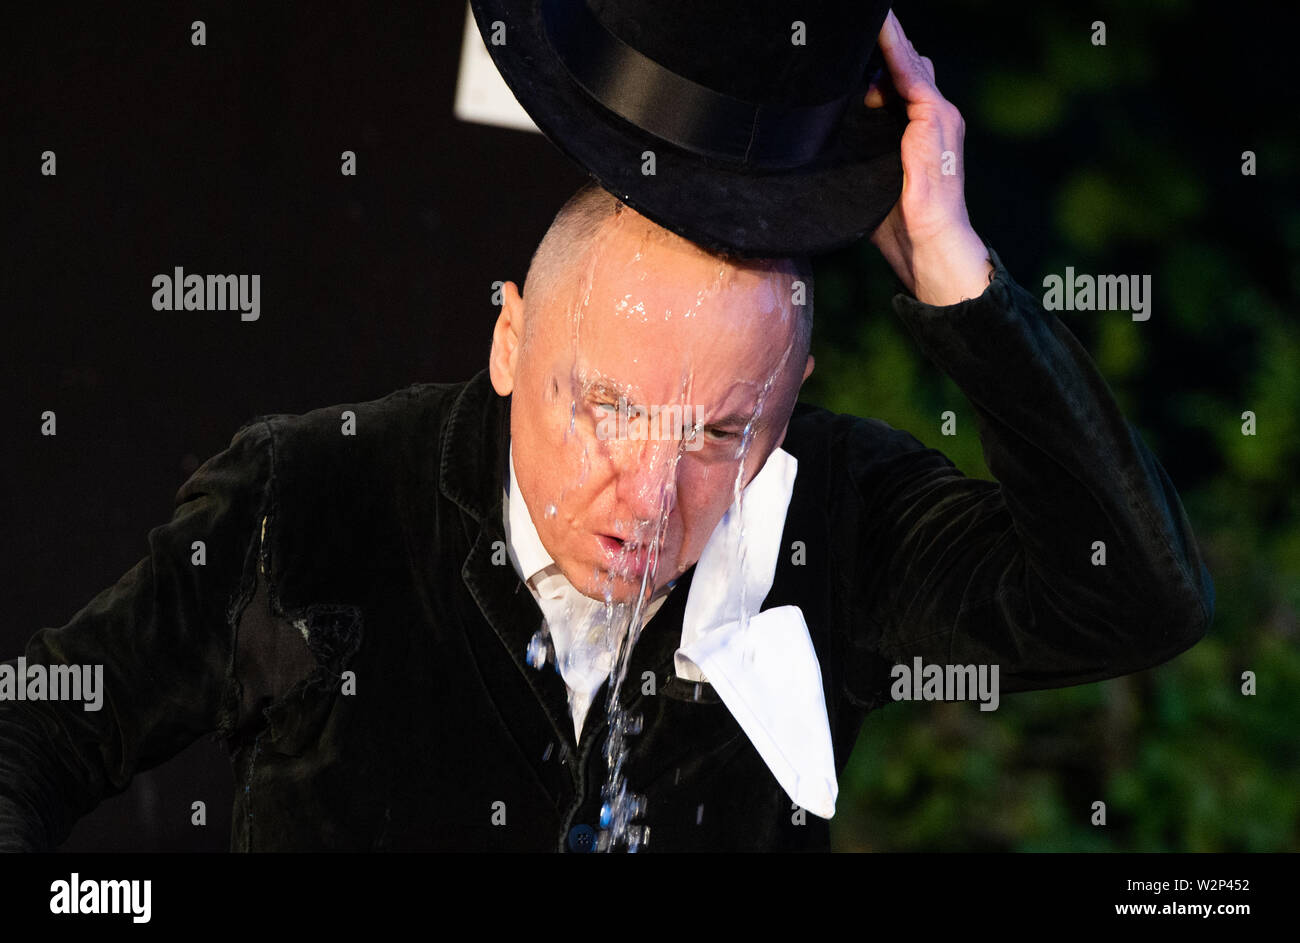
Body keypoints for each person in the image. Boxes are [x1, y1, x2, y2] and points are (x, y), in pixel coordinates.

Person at [0, 7, 1212, 852]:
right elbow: (37, 732)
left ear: (784, 413)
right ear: (510, 344)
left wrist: (957, 275)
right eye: (609, 410)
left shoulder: (836, 514)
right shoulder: (309, 492)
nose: (646, 495)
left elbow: (1135, 600)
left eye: (717, 435)